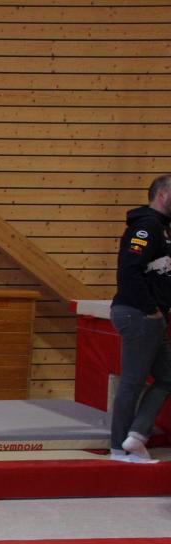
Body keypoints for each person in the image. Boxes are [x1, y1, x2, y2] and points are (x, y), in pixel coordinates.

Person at [110, 174, 171, 463]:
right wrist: (150, 309)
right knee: (132, 383)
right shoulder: (146, 226)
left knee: (167, 377)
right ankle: (119, 449)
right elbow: (129, 270)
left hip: (150, 315)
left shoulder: (163, 229)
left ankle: (135, 436)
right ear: (162, 194)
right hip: (138, 313)